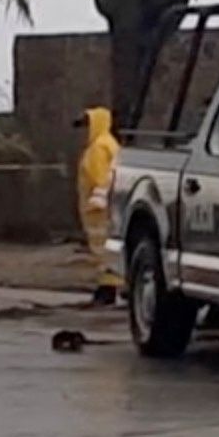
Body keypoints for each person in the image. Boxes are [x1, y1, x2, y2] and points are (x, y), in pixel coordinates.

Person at [76, 105, 122, 304]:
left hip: (97, 208)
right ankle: (112, 284)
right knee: (109, 247)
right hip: (107, 206)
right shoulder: (110, 144)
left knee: (102, 249)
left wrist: (97, 198)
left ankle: (107, 288)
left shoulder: (97, 148)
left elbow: (99, 176)